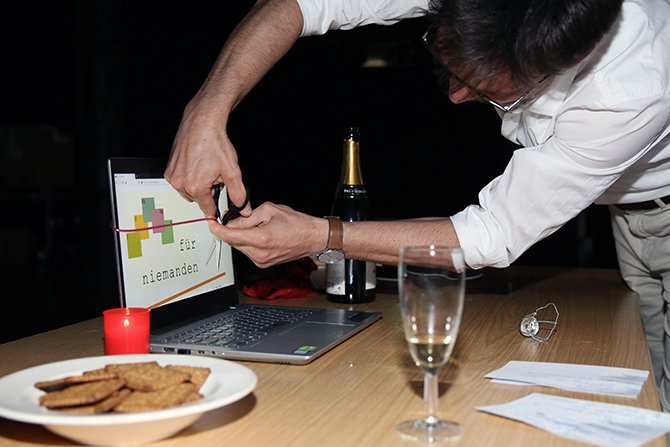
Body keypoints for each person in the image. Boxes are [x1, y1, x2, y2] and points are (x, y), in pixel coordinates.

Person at [165, 0, 670, 409]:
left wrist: (321, 236)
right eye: (448, 63)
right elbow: (298, 3)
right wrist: (206, 111)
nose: (455, 97)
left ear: (564, 65)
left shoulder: (631, 84)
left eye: (489, 89)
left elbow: (490, 233)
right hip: (624, 213)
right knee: (643, 360)